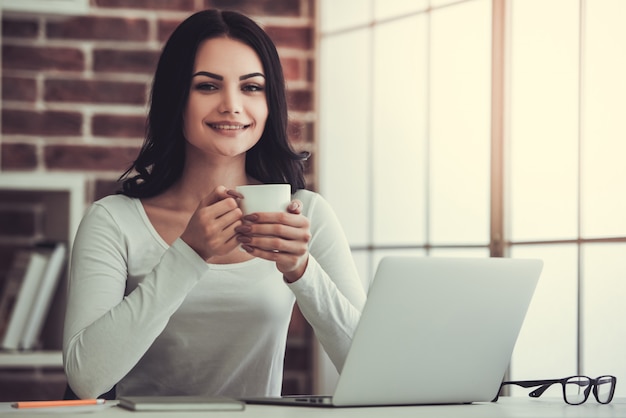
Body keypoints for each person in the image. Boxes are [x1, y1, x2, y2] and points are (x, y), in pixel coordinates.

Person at [62, 9, 366, 400]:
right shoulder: (113, 221)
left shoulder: (306, 216)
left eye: (251, 87)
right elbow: (86, 379)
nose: (232, 105)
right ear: (176, 98)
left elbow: (366, 369)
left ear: (269, 102)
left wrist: (301, 270)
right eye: (207, 86)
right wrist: (187, 255)